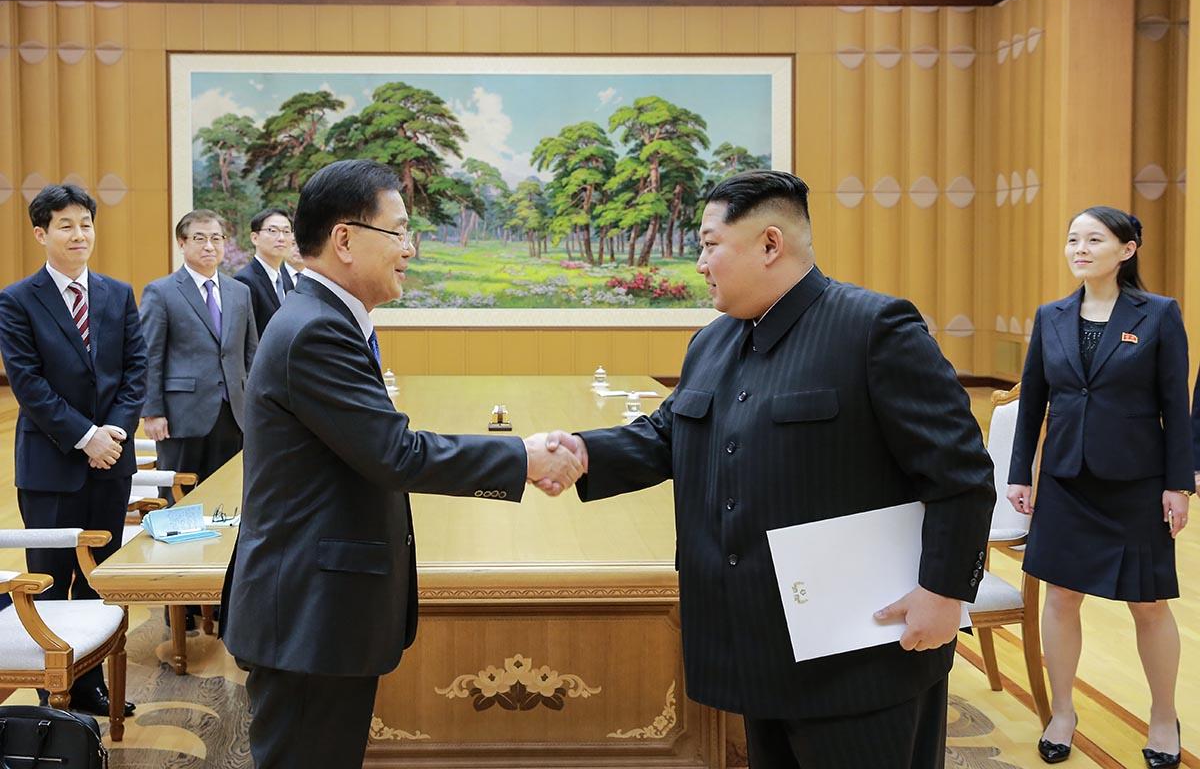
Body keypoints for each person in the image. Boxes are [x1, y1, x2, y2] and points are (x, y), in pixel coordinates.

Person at [543, 170, 995, 769]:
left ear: (770, 244)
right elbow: (667, 435)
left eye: (709, 245)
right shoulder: (711, 343)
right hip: (757, 645)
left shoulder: (873, 329)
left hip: (861, 657)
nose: (699, 264)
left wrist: (944, 593)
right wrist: (579, 452)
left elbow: (961, 472)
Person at [220, 159, 581, 769]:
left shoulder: (326, 318)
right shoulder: (315, 331)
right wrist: (522, 457)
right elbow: (396, 453)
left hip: (318, 606)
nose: (410, 249)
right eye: (399, 231)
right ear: (344, 239)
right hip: (309, 611)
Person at [1008, 206, 1187, 768]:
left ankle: (1164, 717)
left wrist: (1178, 485)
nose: (1079, 249)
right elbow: (1032, 401)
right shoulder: (1052, 316)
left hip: (1137, 482)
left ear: (1126, 250)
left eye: (1094, 239)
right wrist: (1019, 473)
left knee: (1148, 604)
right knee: (1061, 597)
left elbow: (1175, 404)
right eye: (1073, 240)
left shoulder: (1159, 314)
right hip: (1066, 480)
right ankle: (1062, 712)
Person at [0, 184, 145, 717]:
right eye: (65, 225)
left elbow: (135, 371)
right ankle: (52, 700)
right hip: (51, 465)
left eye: (85, 223)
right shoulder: (17, 300)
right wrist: (88, 438)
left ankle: (91, 687)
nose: (79, 233)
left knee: (98, 577)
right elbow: (29, 384)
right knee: (51, 578)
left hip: (112, 462)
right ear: (41, 234)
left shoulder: (117, 293)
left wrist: (114, 434)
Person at [140, 210, 258, 490]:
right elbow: (149, 356)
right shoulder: (161, 292)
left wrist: (256, 405)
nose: (209, 246)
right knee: (180, 495)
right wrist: (152, 412)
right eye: (200, 238)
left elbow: (251, 353)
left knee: (228, 494)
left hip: (234, 412)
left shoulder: (239, 291)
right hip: (182, 415)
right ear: (182, 243)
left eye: (216, 238)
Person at [234, 208, 296, 339]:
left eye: (286, 232)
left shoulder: (286, 279)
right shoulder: (244, 281)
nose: (281, 238)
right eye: (272, 231)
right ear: (255, 238)